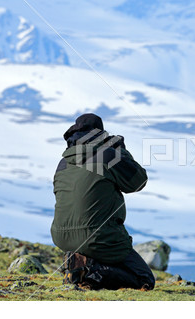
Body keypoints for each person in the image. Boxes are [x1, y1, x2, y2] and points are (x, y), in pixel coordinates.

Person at [51, 113, 155, 290]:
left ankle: (80, 263)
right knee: (144, 279)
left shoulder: (63, 163)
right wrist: (121, 152)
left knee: (100, 247)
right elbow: (138, 182)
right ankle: (90, 271)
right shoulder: (107, 156)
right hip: (100, 238)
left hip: (62, 237)